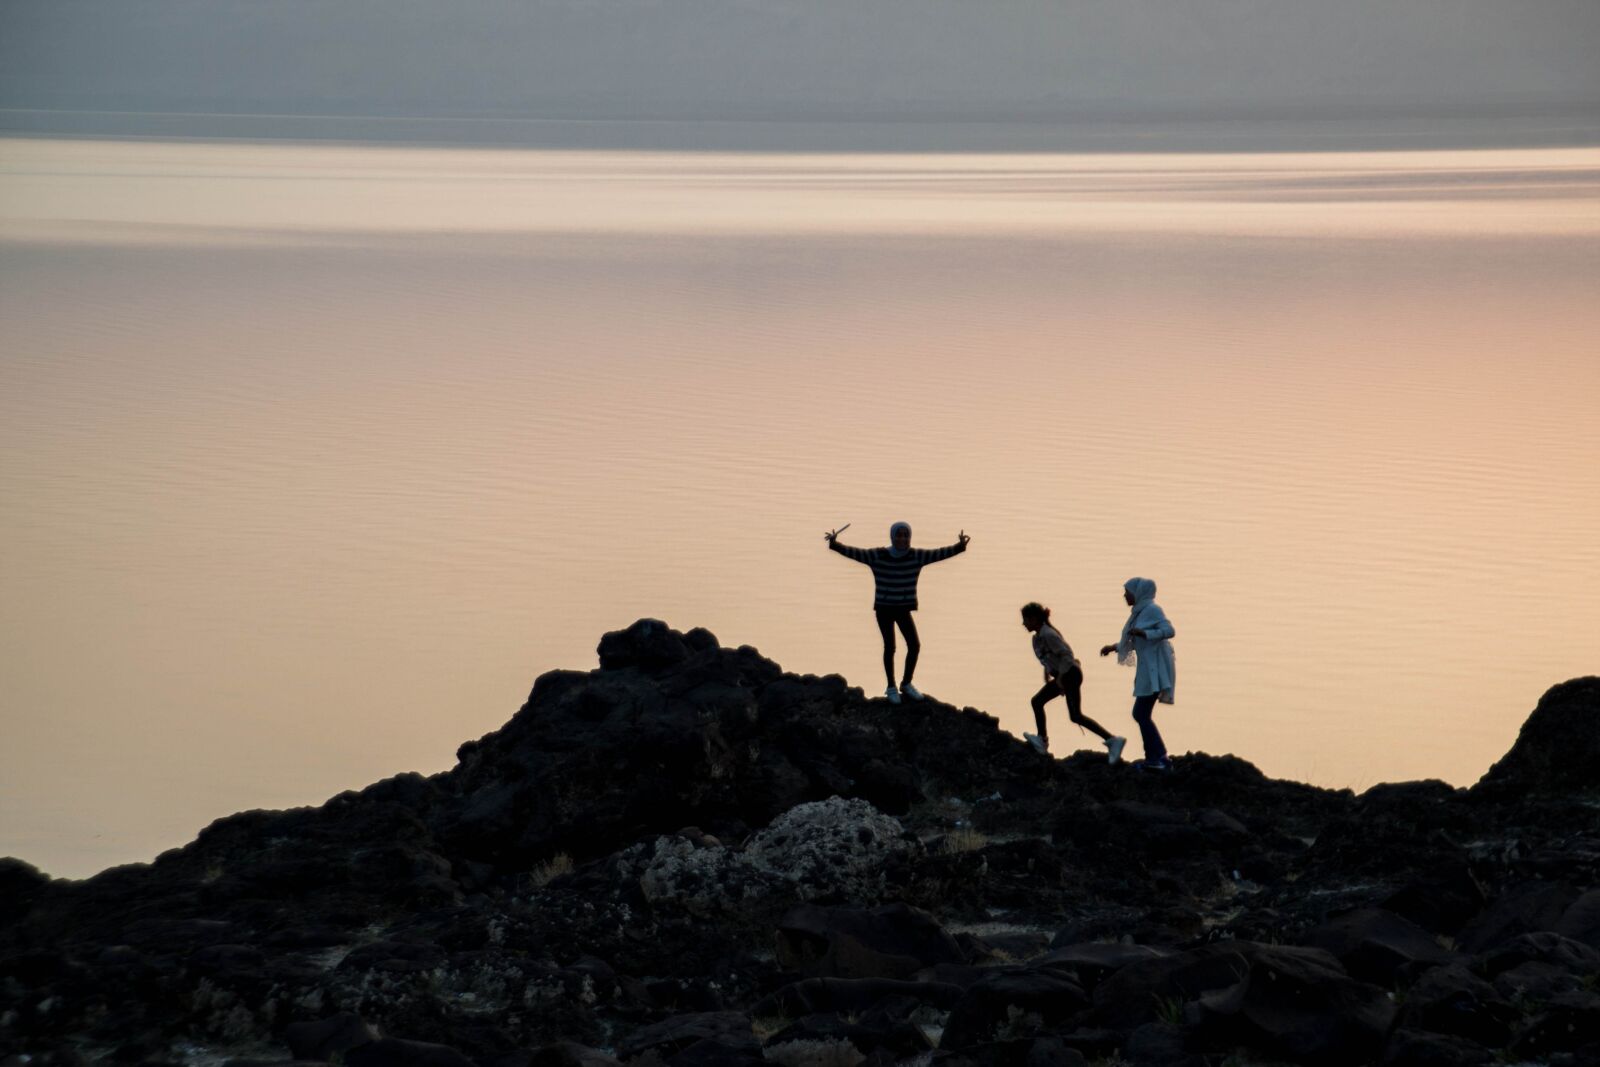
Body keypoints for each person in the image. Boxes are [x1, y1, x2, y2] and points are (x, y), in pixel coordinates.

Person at [826, 522, 969, 704]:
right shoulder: (878, 556)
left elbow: (938, 554)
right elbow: (855, 553)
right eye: (899, 535)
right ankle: (891, 687)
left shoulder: (916, 556)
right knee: (890, 647)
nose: (902, 539)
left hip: (902, 609)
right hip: (884, 608)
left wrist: (960, 546)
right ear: (892, 537)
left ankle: (906, 684)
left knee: (914, 645)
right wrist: (835, 544)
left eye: (905, 535)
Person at [1020, 602, 1125, 763]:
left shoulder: (1048, 634)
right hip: (1065, 675)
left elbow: (1067, 655)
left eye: (1025, 620)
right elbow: (1049, 656)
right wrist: (1048, 672)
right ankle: (1111, 740)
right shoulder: (1038, 637)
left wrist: (1061, 678)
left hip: (1071, 675)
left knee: (1044, 704)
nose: (1023, 624)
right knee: (1069, 713)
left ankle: (1112, 740)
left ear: (1034, 619)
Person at [1099, 577, 1177, 771]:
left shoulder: (1152, 610)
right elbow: (1133, 641)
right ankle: (1159, 757)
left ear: (1138, 593)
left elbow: (1169, 630)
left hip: (1156, 670)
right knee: (1141, 714)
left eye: (1128, 591)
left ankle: (1156, 758)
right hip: (1147, 670)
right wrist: (1114, 647)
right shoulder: (1139, 613)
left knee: (1140, 713)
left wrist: (1146, 634)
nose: (1125, 595)